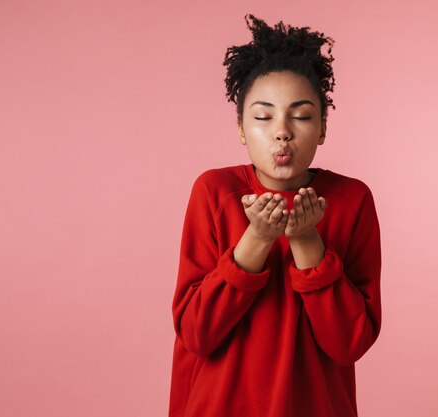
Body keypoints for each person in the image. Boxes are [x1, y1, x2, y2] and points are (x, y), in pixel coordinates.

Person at [168, 14, 382, 417]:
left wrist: (306, 240)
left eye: (300, 116)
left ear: (322, 128)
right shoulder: (214, 192)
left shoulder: (352, 200)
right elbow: (197, 333)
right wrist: (257, 239)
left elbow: (350, 343)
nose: (282, 131)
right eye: (263, 117)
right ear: (242, 128)